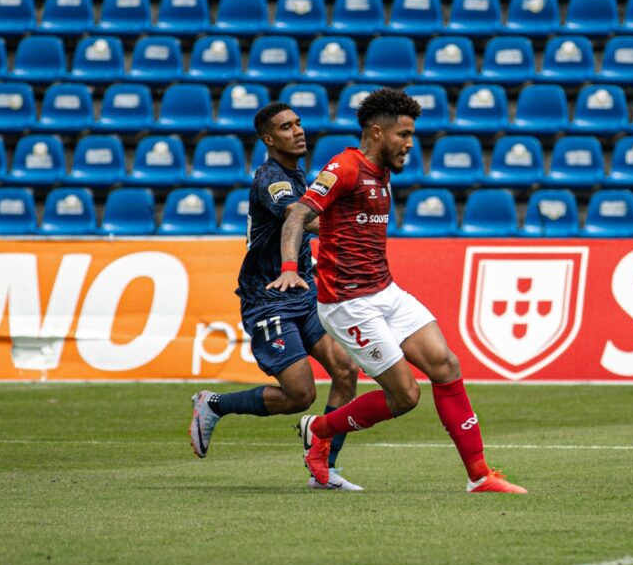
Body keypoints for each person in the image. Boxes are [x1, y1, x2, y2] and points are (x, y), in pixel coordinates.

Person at [267, 88, 527, 494]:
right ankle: (319, 429)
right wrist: (288, 268)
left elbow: (340, 224)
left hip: (384, 291)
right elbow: (298, 214)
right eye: (403, 135)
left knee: (446, 365)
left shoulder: (381, 171)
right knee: (405, 397)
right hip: (347, 303)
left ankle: (480, 476)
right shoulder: (345, 167)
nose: (410, 144)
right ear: (376, 132)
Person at [189, 102, 363, 491]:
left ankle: (324, 468)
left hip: (303, 290)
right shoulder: (272, 179)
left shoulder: (297, 174)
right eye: (286, 127)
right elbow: (297, 217)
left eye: (299, 123)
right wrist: (355, 222)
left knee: (346, 371)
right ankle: (213, 405)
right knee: (300, 395)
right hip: (269, 296)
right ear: (269, 139)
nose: (298, 130)